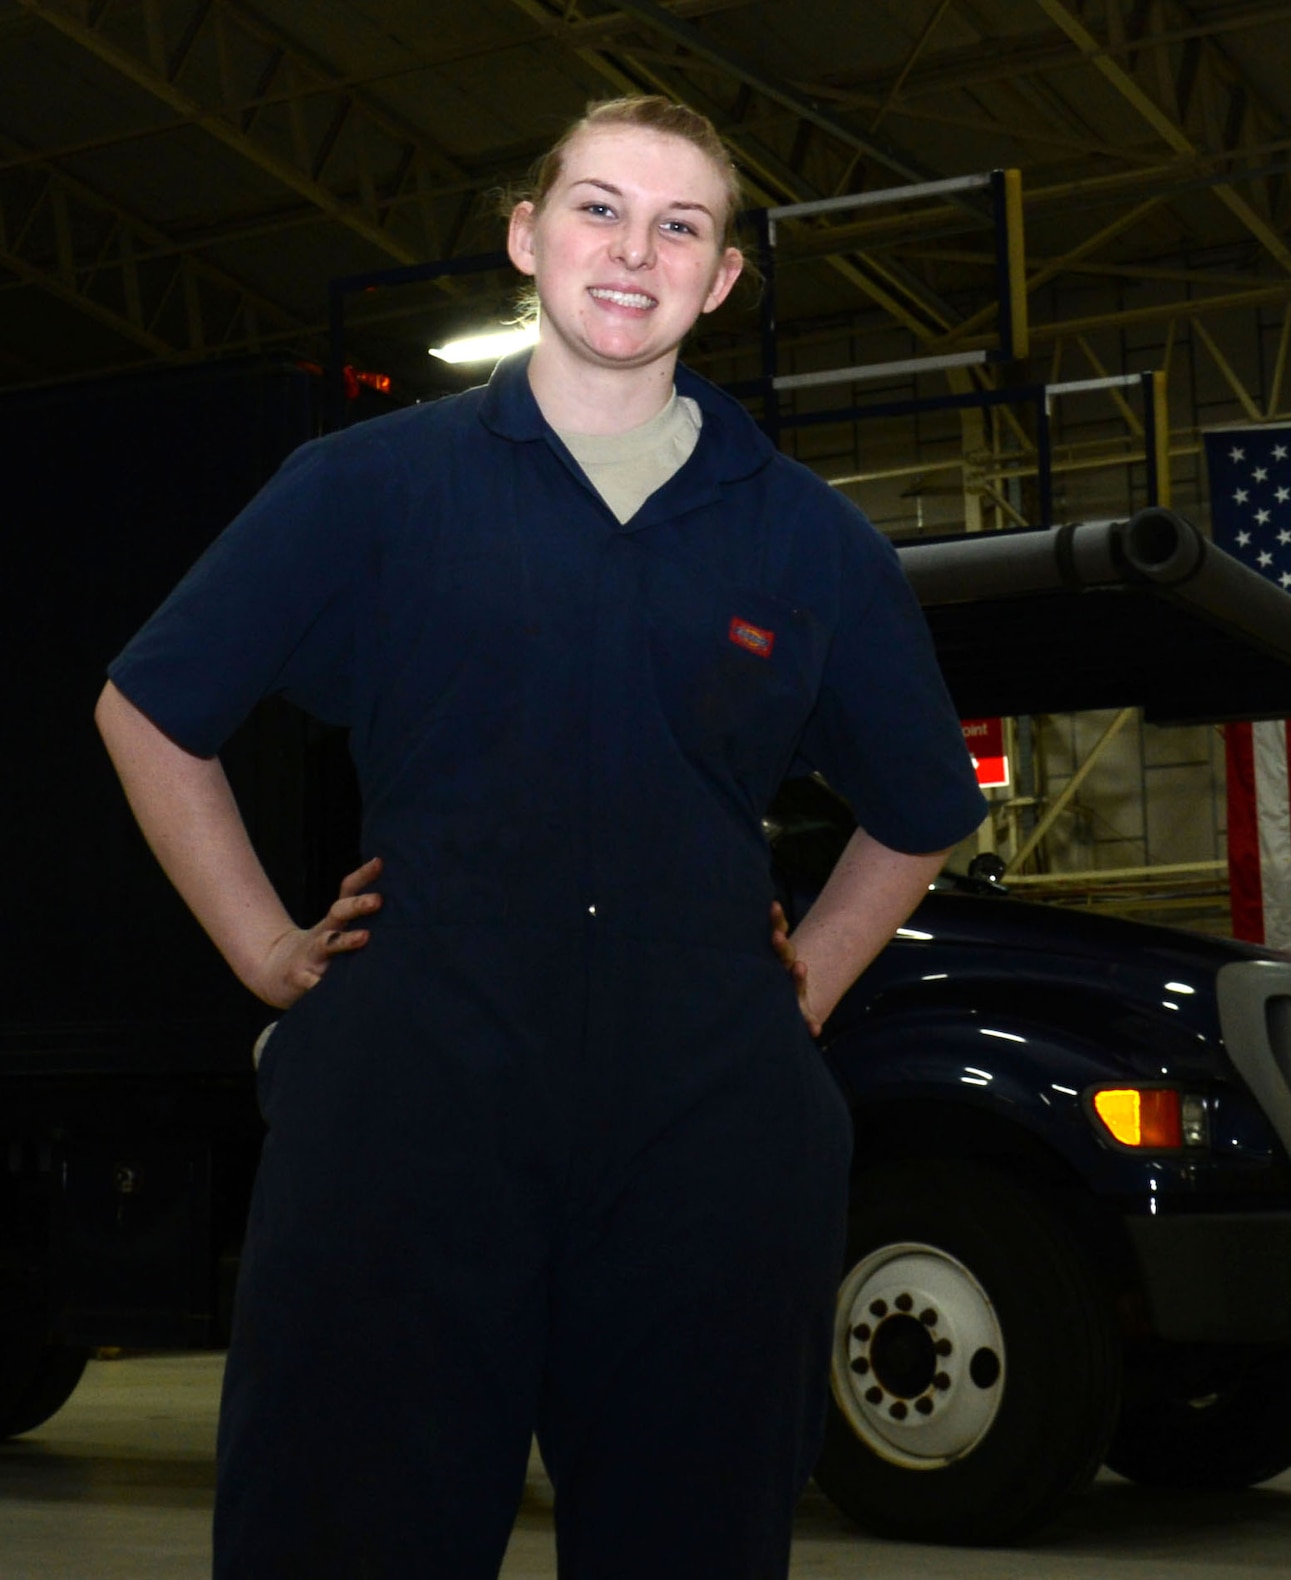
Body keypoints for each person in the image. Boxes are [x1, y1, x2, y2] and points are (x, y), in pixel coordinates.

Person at [96, 95, 988, 1578]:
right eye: (598, 208)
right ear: (527, 234)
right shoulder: (368, 491)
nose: (632, 252)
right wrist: (264, 947)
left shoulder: (809, 542)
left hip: (708, 1143)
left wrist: (812, 980)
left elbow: (921, 810)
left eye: (679, 226)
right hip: (407, 1121)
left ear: (719, 282)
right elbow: (149, 710)